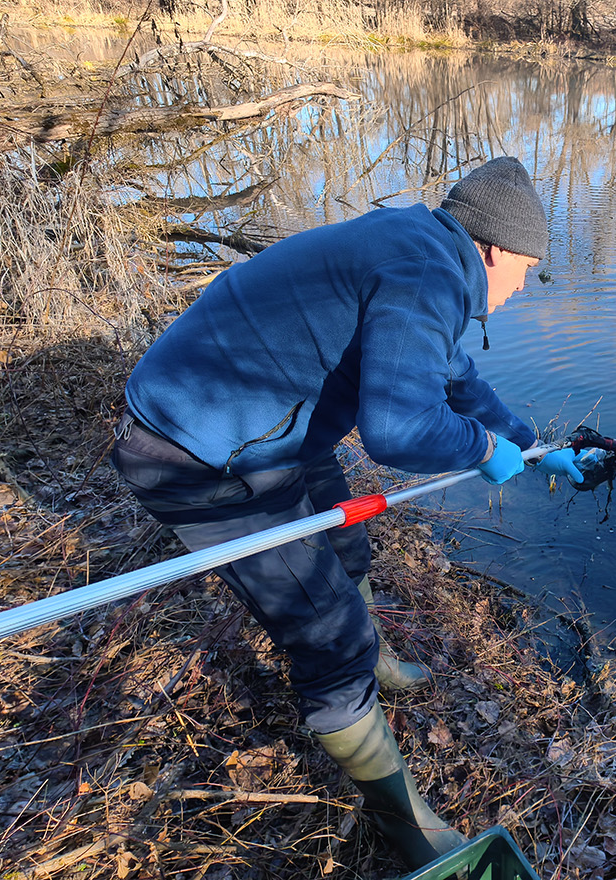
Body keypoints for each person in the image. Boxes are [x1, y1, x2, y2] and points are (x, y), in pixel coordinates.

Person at [109, 156, 584, 868]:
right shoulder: (428, 274)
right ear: (495, 250)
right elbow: (397, 431)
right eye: (524, 271)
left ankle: (378, 663)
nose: (520, 290)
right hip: (201, 449)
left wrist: (528, 443)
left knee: (348, 532)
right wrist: (482, 448)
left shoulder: (419, 245)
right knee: (327, 634)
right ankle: (403, 823)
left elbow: (453, 377)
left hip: (263, 429)